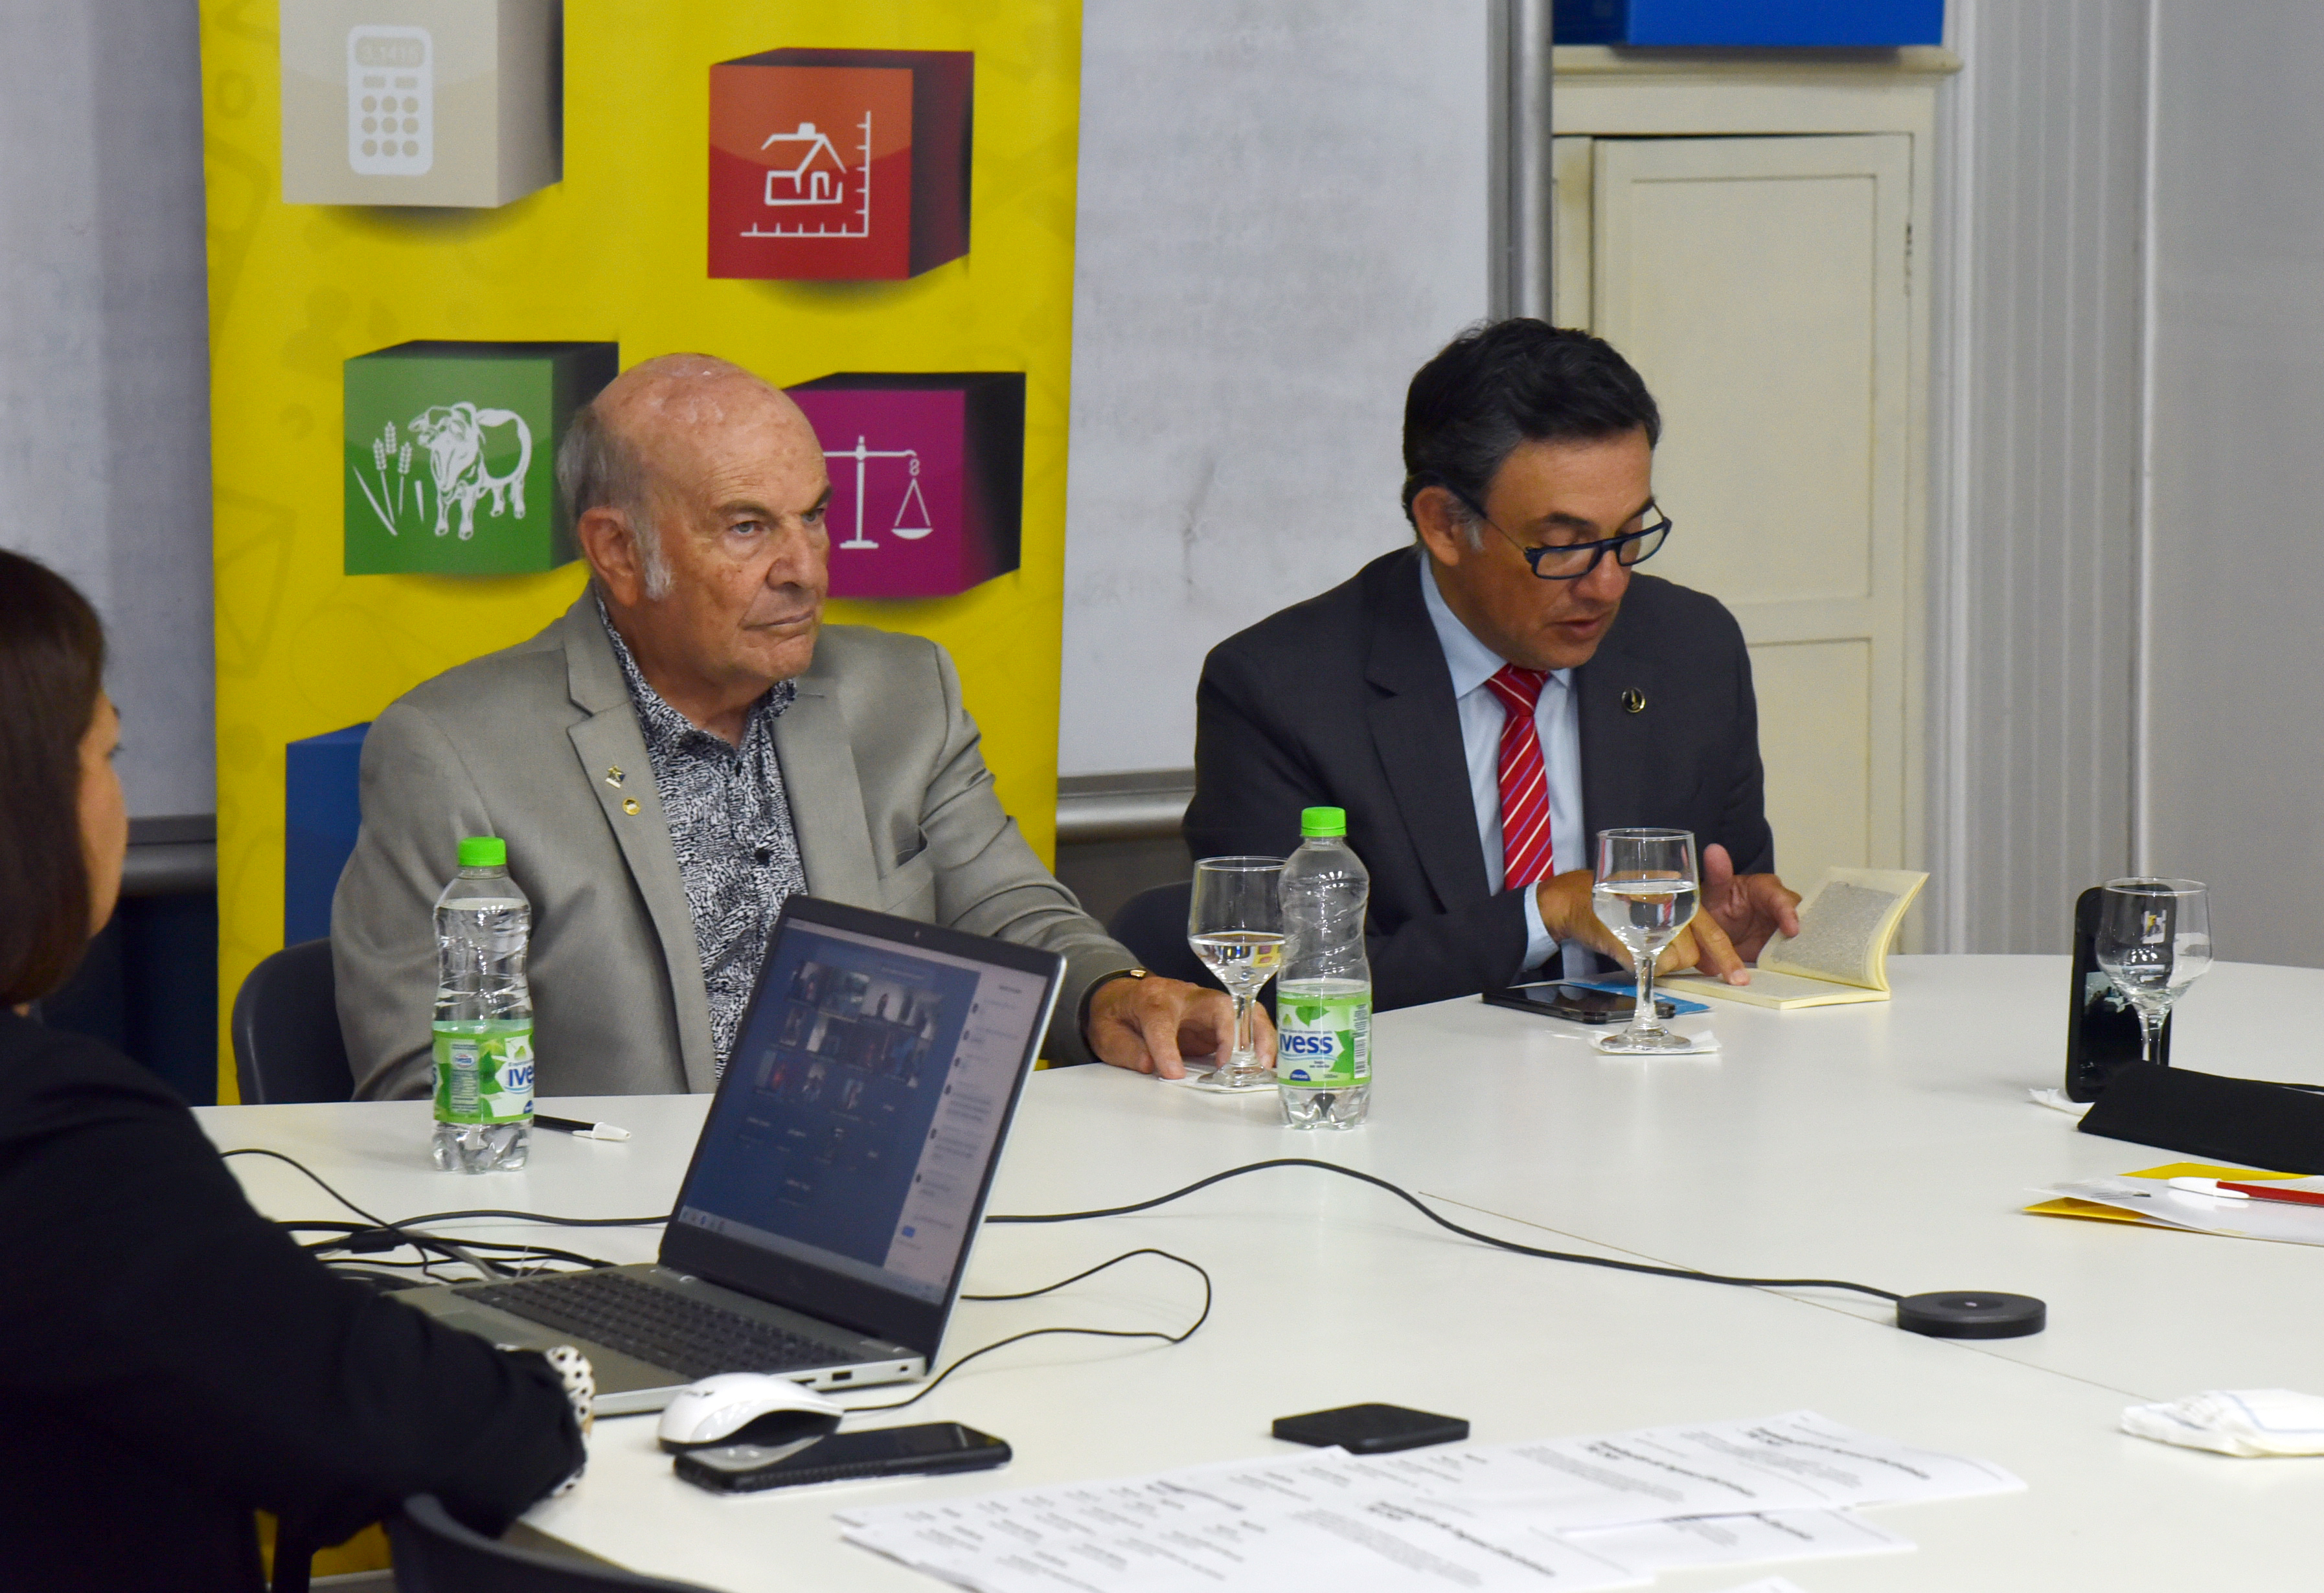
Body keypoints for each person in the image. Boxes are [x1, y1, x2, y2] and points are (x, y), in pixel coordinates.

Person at [336, 354, 1247, 1097]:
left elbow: (1003, 909)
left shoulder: (902, 691)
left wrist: (1111, 992)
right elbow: (425, 1093)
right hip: (612, 1230)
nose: (806, 569)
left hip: (874, 1197)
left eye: (813, 518)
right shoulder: (454, 754)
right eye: (745, 529)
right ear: (617, 550)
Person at [0, 550, 585, 1593]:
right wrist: (562, 1384)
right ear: (29, 810)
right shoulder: (53, 1140)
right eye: (108, 756)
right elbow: (385, 1425)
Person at [1185, 321, 1800, 1011]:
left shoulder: (1690, 649)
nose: (1608, 585)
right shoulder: (1281, 689)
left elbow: (1731, 885)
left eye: (1631, 536)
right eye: (1563, 546)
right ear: (1446, 524)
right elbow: (1267, 986)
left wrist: (1737, 928)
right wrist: (1541, 914)